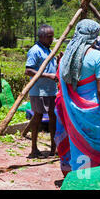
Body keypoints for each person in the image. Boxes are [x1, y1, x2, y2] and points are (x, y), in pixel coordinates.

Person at [56, 19, 100, 176]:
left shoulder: (64, 59)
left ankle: (83, 182)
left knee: (81, 150)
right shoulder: (98, 57)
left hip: (76, 116)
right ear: (95, 36)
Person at [24, 24, 58, 158]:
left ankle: (53, 149)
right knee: (37, 118)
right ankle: (34, 149)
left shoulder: (48, 50)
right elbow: (28, 70)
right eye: (49, 37)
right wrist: (47, 75)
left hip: (51, 90)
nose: (51, 39)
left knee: (53, 118)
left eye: (52, 37)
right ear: (42, 37)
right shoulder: (35, 51)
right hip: (39, 91)